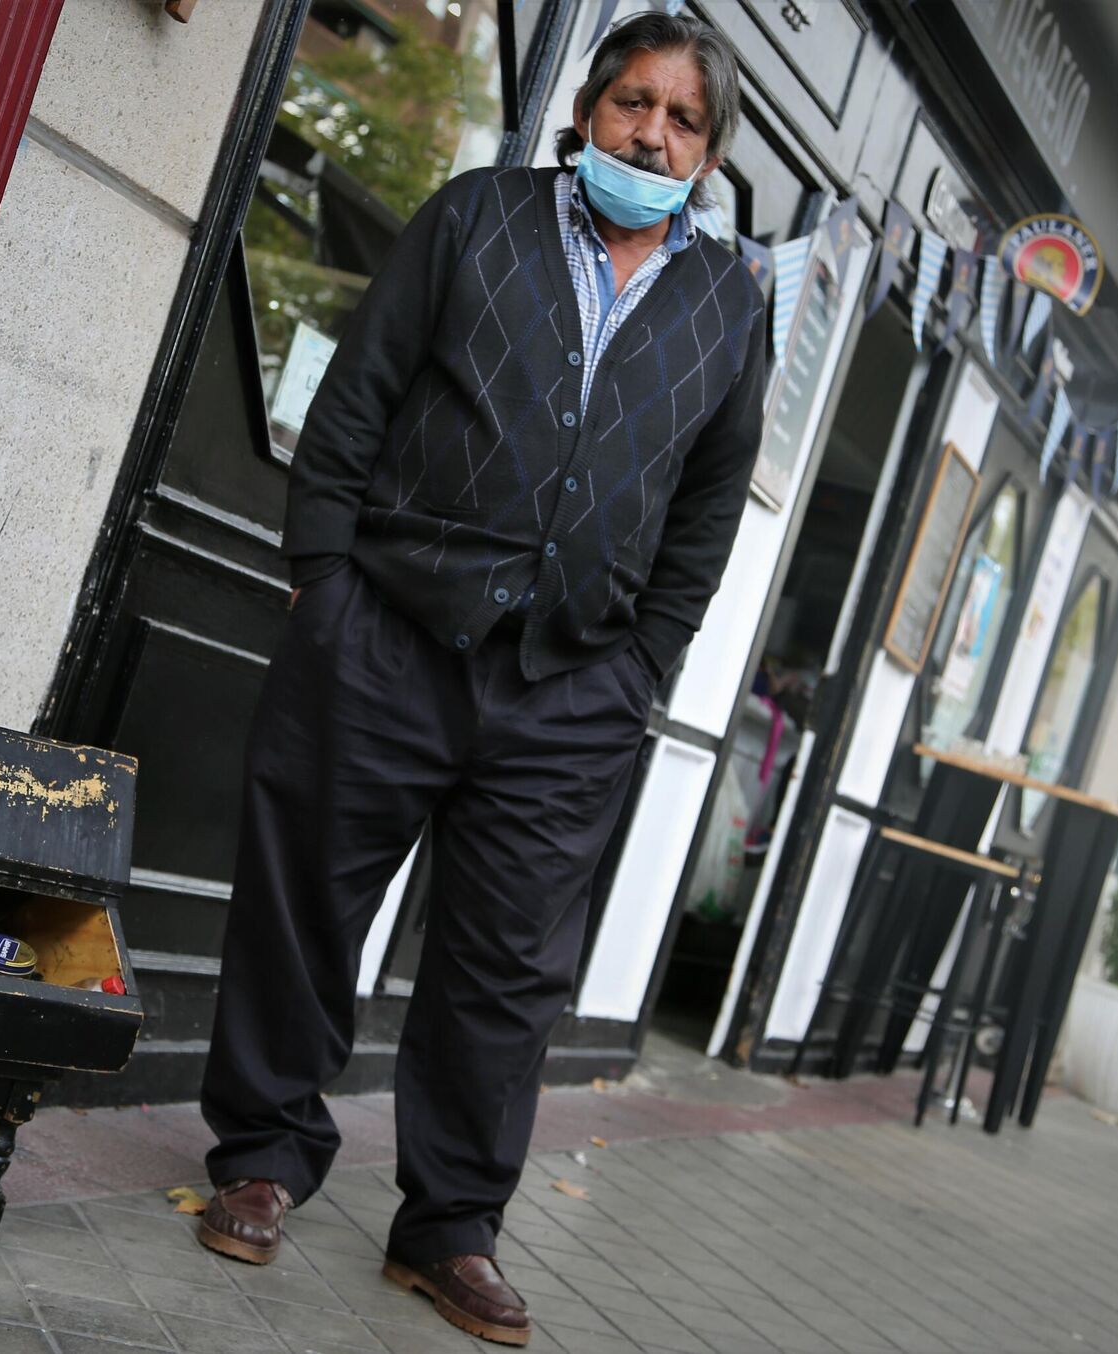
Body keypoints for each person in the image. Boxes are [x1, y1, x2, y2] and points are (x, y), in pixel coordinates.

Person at [195, 14, 765, 1346]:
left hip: (570, 689)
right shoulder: (476, 220)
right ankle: (263, 1156)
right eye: (634, 102)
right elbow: (358, 403)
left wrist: (637, 672)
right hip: (389, 632)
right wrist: (326, 583)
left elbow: (705, 519)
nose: (652, 134)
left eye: (683, 119)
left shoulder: (730, 306)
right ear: (586, 109)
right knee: (307, 903)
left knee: (505, 968)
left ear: (712, 150)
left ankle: (449, 1226)